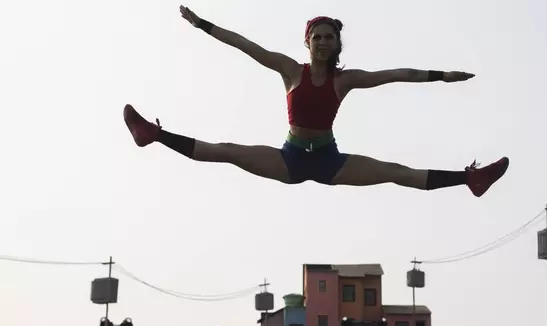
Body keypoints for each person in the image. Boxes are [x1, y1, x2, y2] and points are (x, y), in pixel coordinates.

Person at [123, 6, 509, 197]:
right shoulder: (290, 70)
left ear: (337, 44)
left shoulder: (345, 80)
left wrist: (442, 76)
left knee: (397, 171)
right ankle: (152, 134)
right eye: (317, 36)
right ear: (307, 42)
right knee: (224, 150)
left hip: (329, 160)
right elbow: (244, 45)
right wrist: (202, 25)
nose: (323, 41)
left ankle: (470, 179)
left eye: (329, 37)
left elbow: (396, 75)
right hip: (290, 158)